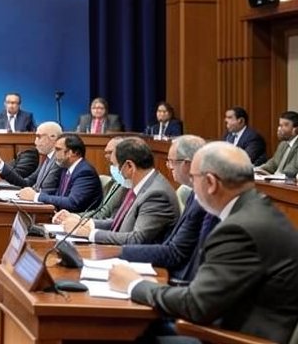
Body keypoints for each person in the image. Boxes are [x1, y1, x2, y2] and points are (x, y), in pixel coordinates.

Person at [109, 142, 298, 343]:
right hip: (229, 322)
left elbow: (196, 306)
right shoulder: (259, 210)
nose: (190, 185)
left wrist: (134, 284)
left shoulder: (238, 230)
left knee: (123, 333)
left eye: (193, 177)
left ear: (211, 182)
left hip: (234, 336)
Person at [120, 135, 214, 283]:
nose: (169, 166)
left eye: (171, 161)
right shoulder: (194, 193)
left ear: (187, 164)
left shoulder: (204, 201)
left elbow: (175, 252)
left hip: (179, 282)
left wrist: (120, 252)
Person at [57, 137, 179, 245]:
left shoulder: (156, 194)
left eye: (116, 166)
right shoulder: (142, 185)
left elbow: (136, 239)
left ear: (129, 166)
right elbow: (119, 223)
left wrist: (90, 233)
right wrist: (85, 223)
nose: (116, 171)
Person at [15, 133, 103, 212]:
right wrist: (32, 193)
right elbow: (59, 195)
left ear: (73, 153)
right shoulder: (66, 169)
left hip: (78, 221)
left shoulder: (85, 172)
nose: (54, 153)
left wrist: (36, 196)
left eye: (58, 149)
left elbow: (72, 202)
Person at [53, 137, 128, 222]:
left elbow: (103, 215)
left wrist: (75, 218)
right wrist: (73, 216)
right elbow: (99, 211)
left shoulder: (125, 186)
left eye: (110, 152)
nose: (107, 157)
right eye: (106, 153)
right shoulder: (116, 183)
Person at [0, 121, 62, 189]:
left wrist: (34, 195)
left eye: (39, 137)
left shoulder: (59, 162)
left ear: (53, 137)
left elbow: (46, 191)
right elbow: (26, 183)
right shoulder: (47, 160)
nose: (35, 142)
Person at [255, 110, 298, 176]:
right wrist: (259, 169)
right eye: (280, 125)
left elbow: (292, 170)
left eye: (285, 125)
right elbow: (273, 163)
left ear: (295, 129)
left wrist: (272, 176)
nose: (279, 129)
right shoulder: (283, 144)